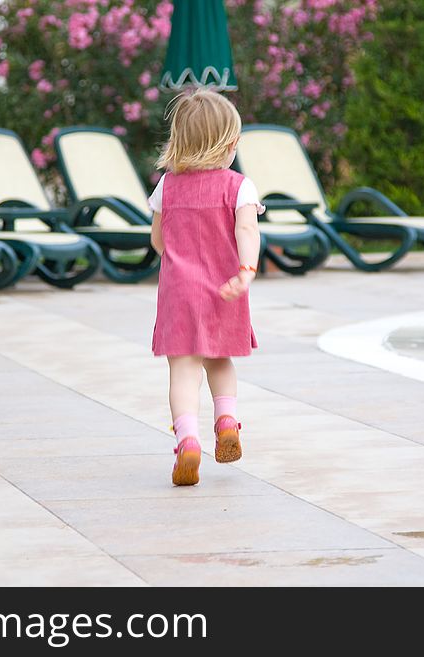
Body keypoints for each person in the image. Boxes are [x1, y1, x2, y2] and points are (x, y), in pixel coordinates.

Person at [148, 89, 264, 486]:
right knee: (219, 361)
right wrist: (246, 269)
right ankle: (226, 419)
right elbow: (247, 228)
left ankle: (188, 440)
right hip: (224, 290)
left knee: (183, 371)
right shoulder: (240, 187)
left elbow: (158, 241)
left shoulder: (167, 187)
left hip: (180, 294)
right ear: (230, 144)